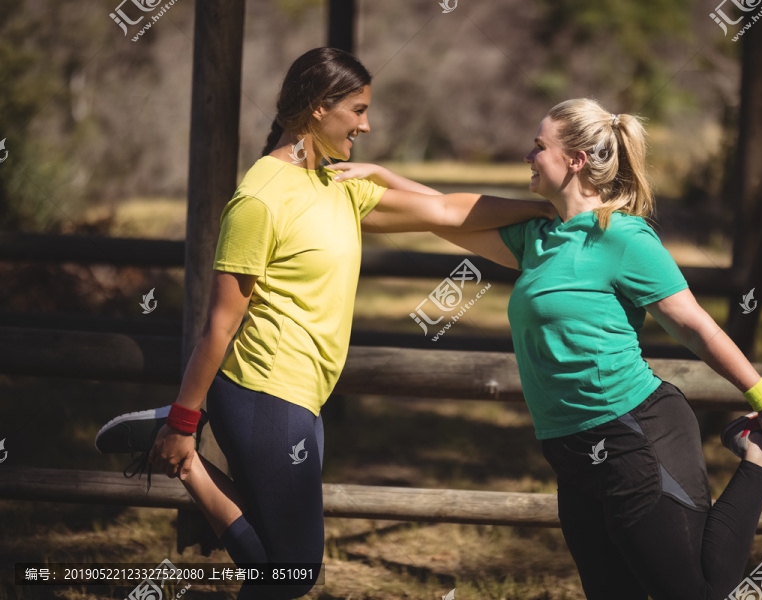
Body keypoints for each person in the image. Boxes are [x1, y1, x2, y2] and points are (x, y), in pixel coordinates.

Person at [94, 47, 554, 600]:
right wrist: (185, 420)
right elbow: (219, 324)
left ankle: (185, 461)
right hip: (262, 388)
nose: (368, 123)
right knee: (295, 570)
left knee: (279, 567)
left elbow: (444, 211)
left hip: (304, 394)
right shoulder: (260, 200)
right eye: (357, 110)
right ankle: (183, 456)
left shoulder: (337, 185)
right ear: (317, 108)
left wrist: (544, 209)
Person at [334, 98, 762, 600]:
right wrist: (381, 176)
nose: (528, 156)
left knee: (695, 593)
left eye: (539, 147)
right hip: (569, 450)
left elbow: (695, 325)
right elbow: (443, 213)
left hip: (634, 433)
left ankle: (761, 453)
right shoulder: (538, 238)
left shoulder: (624, 237)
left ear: (574, 160)